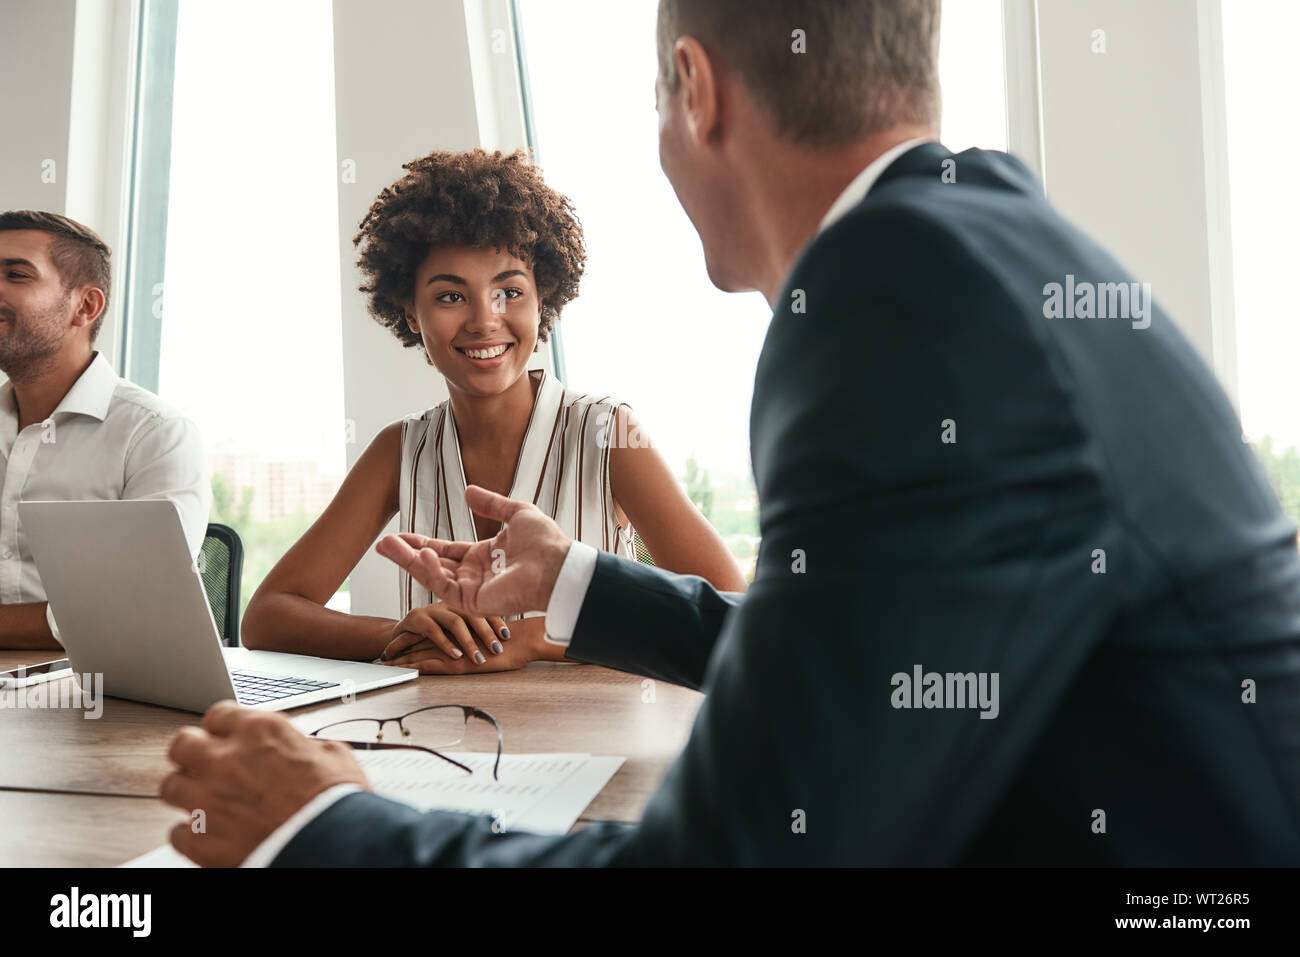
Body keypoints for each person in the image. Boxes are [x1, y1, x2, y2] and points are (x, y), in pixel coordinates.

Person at [162, 0, 1300, 865]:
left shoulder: (894, 300)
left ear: (694, 89)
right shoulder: (980, 241)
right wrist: (580, 585)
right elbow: (869, 658)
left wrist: (319, 825)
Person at [240, 148, 744, 671]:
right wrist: (397, 633)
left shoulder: (607, 432)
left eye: (509, 291)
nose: (485, 320)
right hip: (440, 741)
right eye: (450, 297)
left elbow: (735, 616)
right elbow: (267, 617)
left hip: (593, 739)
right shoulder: (401, 450)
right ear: (411, 313)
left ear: (541, 298)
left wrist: (537, 640)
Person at [0, 210, 210, 651]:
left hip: (91, 699)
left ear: (86, 306)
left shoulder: (155, 436)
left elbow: (133, 610)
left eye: (16, 275)